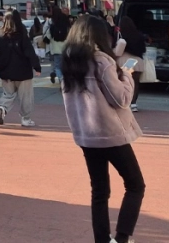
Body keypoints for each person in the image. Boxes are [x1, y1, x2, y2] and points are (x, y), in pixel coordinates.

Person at [61, 15, 146, 243]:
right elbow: (121, 99)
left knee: (99, 190)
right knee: (135, 184)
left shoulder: (69, 61)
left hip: (86, 135)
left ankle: (102, 239)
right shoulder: (101, 61)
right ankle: (122, 237)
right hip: (111, 134)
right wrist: (126, 77)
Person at [0, 9, 42, 127]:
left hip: (5, 70)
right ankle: (25, 119)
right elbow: (29, 52)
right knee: (25, 96)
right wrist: (37, 67)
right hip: (23, 71)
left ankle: (2, 107)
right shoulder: (21, 34)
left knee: (8, 93)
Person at [117, 15, 146, 112]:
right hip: (138, 62)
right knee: (135, 83)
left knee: (124, 82)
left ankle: (125, 101)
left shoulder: (121, 35)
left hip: (126, 61)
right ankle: (134, 104)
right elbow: (143, 50)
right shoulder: (139, 35)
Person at [48, 6, 73, 84]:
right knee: (67, 65)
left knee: (57, 66)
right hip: (67, 48)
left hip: (56, 49)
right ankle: (67, 79)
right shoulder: (67, 25)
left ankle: (61, 79)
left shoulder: (52, 26)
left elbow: (47, 37)